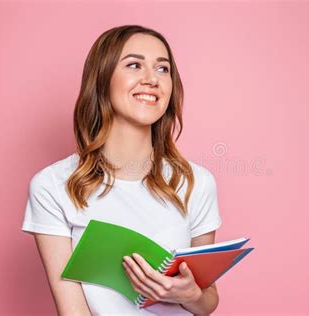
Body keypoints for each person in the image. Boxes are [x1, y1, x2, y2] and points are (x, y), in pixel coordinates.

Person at [21, 25, 222, 315]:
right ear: (102, 80)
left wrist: (190, 293)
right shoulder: (53, 186)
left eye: (163, 69)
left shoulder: (196, 182)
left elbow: (207, 303)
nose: (152, 79)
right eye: (134, 65)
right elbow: (72, 311)